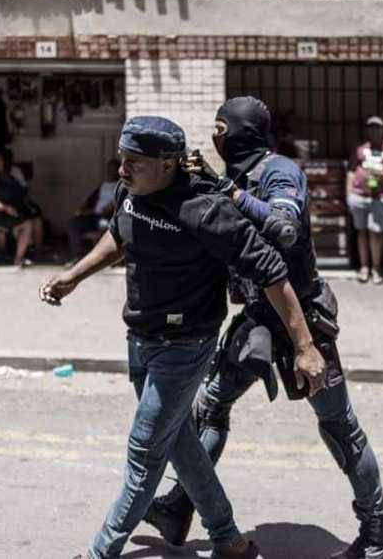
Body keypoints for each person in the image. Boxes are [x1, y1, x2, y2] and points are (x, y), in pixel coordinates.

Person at [40, 115, 327, 559]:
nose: (122, 171)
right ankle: (228, 539)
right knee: (178, 440)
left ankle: (101, 552)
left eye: (134, 162)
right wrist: (74, 277)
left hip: (185, 346)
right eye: (122, 160)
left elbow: (273, 273)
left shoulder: (206, 210)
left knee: (145, 451)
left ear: (169, 163)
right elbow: (119, 235)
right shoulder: (131, 193)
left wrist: (306, 347)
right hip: (139, 337)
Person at [145, 97, 383, 559]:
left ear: (242, 131)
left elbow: (284, 229)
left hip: (301, 318)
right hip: (259, 320)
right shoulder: (237, 176)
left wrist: (228, 190)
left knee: (340, 428)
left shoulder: (280, 171)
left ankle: (378, 537)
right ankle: (179, 504)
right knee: (209, 408)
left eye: (221, 127)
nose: (216, 136)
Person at [346, 116, 383, 283]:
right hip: (359, 196)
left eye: (377, 127)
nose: (374, 130)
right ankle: (364, 267)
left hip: (379, 197)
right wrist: (349, 194)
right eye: (371, 127)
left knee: (376, 232)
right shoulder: (360, 149)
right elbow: (351, 171)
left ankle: (376, 269)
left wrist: (381, 174)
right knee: (361, 232)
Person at [0, 150, 42, 266]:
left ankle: (30, 252)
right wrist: (4, 207)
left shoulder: (6, 176)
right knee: (27, 224)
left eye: (0, 161)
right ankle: (18, 259)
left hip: (11, 212)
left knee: (34, 218)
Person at [65, 158, 120, 265]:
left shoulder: (121, 186)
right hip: (94, 215)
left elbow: (110, 208)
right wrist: (82, 209)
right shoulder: (103, 185)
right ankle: (78, 256)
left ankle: (106, 259)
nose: (110, 171)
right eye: (108, 168)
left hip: (107, 217)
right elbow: (90, 200)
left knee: (104, 226)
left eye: (113, 169)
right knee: (73, 223)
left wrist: (96, 211)